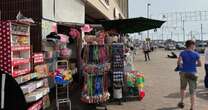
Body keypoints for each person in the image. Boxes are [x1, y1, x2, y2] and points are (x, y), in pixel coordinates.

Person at [177, 40, 201, 110]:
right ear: (191, 45)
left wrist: (182, 65)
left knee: (182, 88)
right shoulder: (196, 54)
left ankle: (181, 102)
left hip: (183, 73)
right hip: (193, 73)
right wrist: (193, 65)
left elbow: (179, 62)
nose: (194, 46)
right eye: (194, 45)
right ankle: (192, 107)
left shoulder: (182, 53)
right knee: (192, 91)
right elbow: (200, 64)